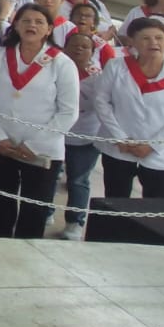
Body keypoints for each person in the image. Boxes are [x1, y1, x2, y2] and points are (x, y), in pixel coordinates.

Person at [0, 4, 80, 238]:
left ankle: (28, 250)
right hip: (3, 144)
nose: (31, 25)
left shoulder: (62, 63)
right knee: (3, 199)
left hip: (42, 149)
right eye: (26, 21)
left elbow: (68, 111)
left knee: (35, 205)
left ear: (49, 29)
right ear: (16, 25)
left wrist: (34, 145)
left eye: (39, 22)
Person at [94, 19, 164, 199]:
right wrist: (120, 137)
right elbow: (102, 102)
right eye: (145, 38)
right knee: (115, 201)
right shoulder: (116, 66)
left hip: (162, 153)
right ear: (132, 42)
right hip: (120, 148)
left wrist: (153, 145)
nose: (154, 43)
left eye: (159, 38)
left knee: (155, 208)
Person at [58, 30, 104, 241]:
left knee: (78, 180)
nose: (78, 49)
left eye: (84, 47)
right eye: (74, 45)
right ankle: (46, 213)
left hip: (85, 135)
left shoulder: (99, 77)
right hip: (55, 132)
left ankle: (75, 221)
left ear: (92, 52)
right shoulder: (55, 68)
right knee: (49, 178)